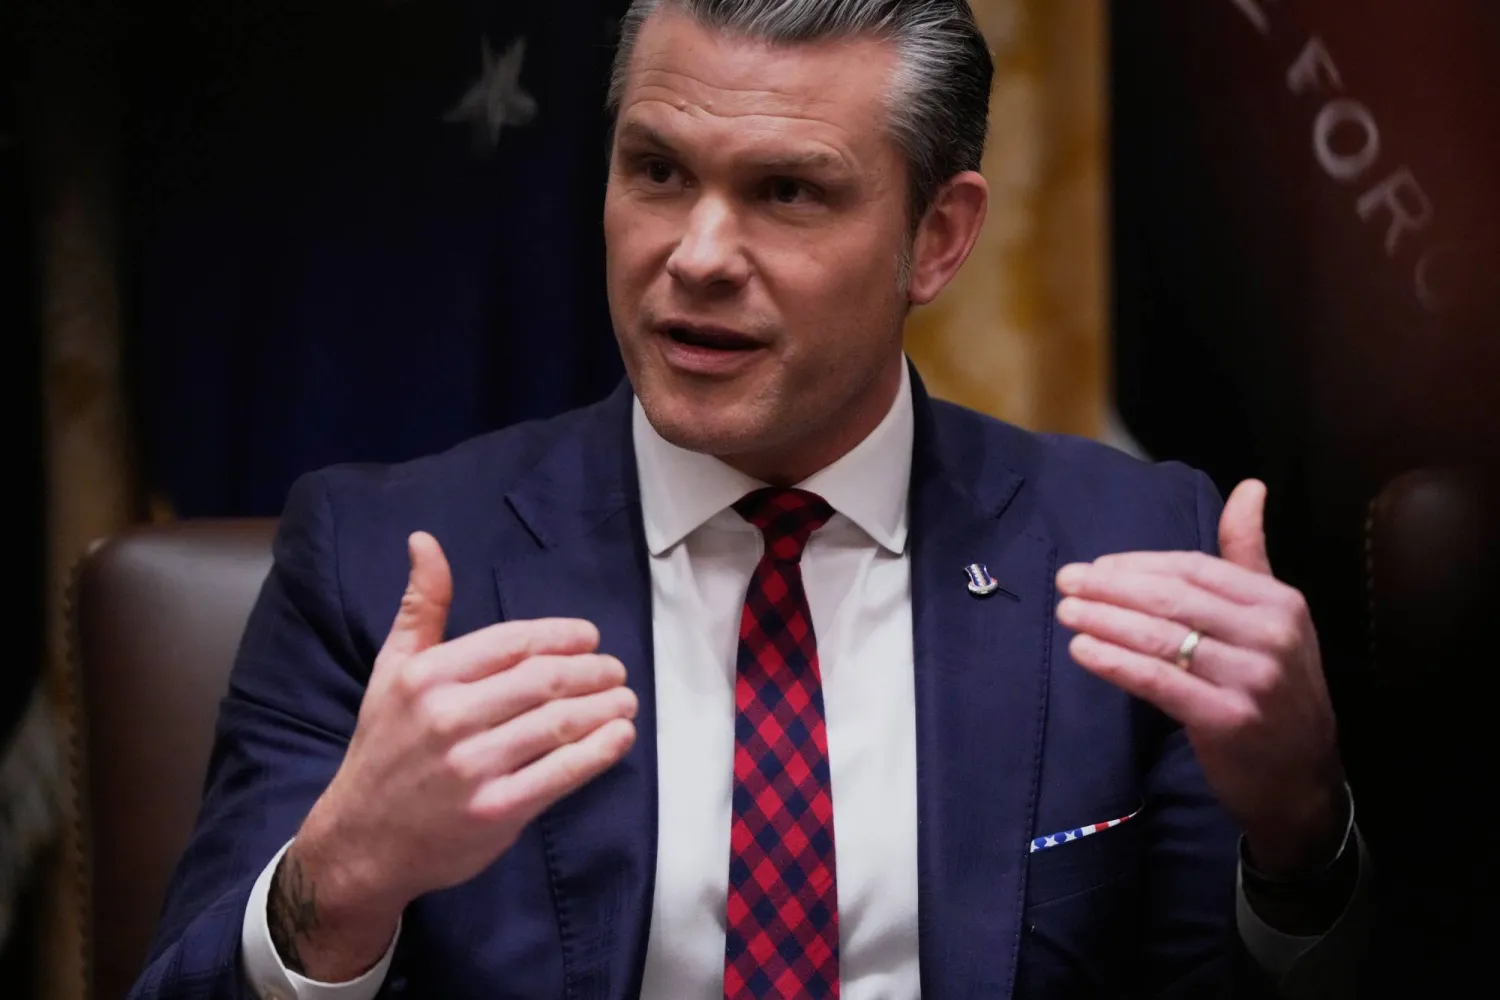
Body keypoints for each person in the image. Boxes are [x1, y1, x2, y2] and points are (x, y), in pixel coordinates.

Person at [129, 2, 1370, 998]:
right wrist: (339, 882)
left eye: (788, 192)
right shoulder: (383, 565)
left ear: (938, 237)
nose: (699, 253)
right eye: (657, 170)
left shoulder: (1127, 549)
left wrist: (1302, 839)